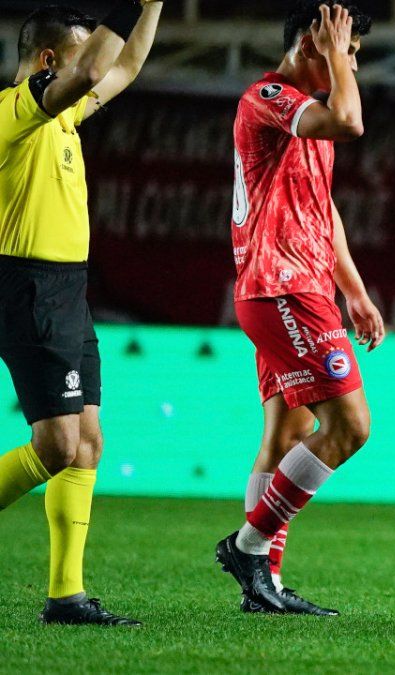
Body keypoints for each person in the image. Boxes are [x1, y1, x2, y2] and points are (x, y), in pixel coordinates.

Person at [214, 0, 385, 616]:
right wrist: (338, 56)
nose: (353, 65)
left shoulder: (304, 116)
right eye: (349, 50)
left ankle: (266, 588)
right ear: (314, 42)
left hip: (294, 287)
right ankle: (249, 547)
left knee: (286, 433)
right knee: (350, 427)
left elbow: (323, 209)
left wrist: (356, 291)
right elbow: (351, 122)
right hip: (282, 287)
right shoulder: (268, 94)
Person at [0, 0, 162, 626]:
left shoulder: (62, 118)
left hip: (68, 288)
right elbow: (95, 71)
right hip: (28, 286)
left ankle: (66, 596)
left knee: (87, 443)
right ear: (47, 64)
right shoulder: (15, 111)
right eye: (72, 59)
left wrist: (150, 7)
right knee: (57, 445)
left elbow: (122, 66)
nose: (85, 70)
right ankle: (64, 595)